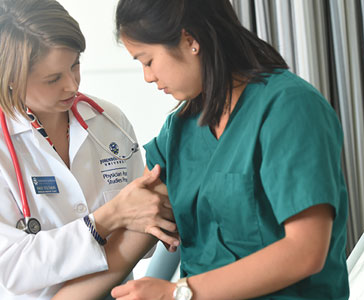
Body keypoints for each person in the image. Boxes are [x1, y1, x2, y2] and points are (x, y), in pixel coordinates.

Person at [109, 0, 350, 299]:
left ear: (190, 40)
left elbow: (306, 251)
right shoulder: (178, 130)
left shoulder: (289, 108)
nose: (148, 77)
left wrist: (176, 293)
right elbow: (130, 242)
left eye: (148, 61)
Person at [0, 0, 179, 299]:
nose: (72, 85)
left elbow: (146, 231)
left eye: (75, 64)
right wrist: (110, 217)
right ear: (9, 79)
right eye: (53, 79)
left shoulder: (109, 121)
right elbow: (12, 267)